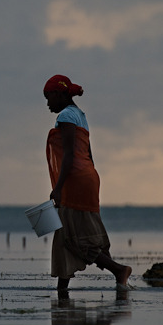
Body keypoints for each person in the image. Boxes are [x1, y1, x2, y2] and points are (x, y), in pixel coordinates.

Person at [43, 74, 132, 291]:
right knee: (67, 233)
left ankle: (119, 270)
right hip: (88, 177)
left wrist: (59, 187)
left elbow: (70, 156)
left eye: (48, 97)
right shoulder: (80, 115)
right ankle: (62, 289)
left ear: (59, 93)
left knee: (74, 238)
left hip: (76, 181)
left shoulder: (65, 117)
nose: (47, 103)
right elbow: (88, 155)